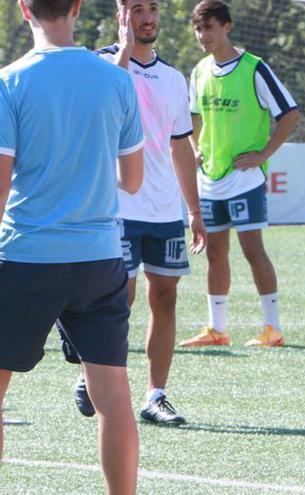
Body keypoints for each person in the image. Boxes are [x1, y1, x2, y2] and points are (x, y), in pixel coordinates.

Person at [0, 0, 143, 492]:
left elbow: (0, 186)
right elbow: (133, 178)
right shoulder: (116, 80)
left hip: (26, 257)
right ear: (78, 8)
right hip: (99, 257)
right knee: (113, 395)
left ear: (24, 10)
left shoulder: (9, 81)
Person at [64, 0, 207, 426]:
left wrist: (194, 210)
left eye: (153, 9)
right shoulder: (101, 64)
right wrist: (124, 49)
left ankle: (155, 394)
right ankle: (97, 376)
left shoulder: (173, 77)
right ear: (120, 15)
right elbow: (109, 97)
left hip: (163, 211)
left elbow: (180, 145)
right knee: (117, 299)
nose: (147, 17)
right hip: (114, 207)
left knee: (164, 297)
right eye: (137, 9)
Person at [180, 0, 300, 348]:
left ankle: (272, 329)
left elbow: (289, 114)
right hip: (211, 178)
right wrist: (196, 145)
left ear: (227, 27)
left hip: (245, 179)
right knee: (214, 253)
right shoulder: (199, 70)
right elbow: (193, 116)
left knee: (252, 250)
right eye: (199, 29)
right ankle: (217, 329)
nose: (204, 35)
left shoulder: (254, 68)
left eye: (210, 28)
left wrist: (263, 154)